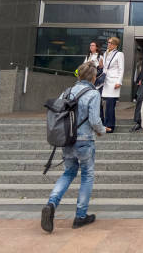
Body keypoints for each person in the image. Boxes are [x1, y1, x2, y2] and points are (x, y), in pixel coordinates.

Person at [41, 62, 105, 233]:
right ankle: (80, 216)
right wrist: (102, 131)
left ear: (79, 75)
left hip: (67, 139)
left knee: (68, 172)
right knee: (87, 175)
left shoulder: (66, 91)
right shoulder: (93, 93)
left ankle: (51, 203)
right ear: (93, 77)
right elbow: (94, 120)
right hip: (85, 140)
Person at [101, 37, 124, 133]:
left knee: (110, 106)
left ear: (115, 45)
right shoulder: (105, 53)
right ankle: (103, 123)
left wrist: (119, 81)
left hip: (114, 82)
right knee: (102, 104)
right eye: (108, 42)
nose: (108, 44)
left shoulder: (119, 54)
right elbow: (104, 68)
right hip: (105, 81)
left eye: (111, 43)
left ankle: (110, 126)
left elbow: (121, 69)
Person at [84, 41, 104, 120]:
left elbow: (102, 69)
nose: (91, 47)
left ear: (96, 47)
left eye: (93, 45)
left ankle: (101, 119)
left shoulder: (100, 57)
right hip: (88, 82)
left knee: (98, 101)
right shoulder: (88, 56)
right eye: (90, 45)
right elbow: (83, 67)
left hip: (97, 82)